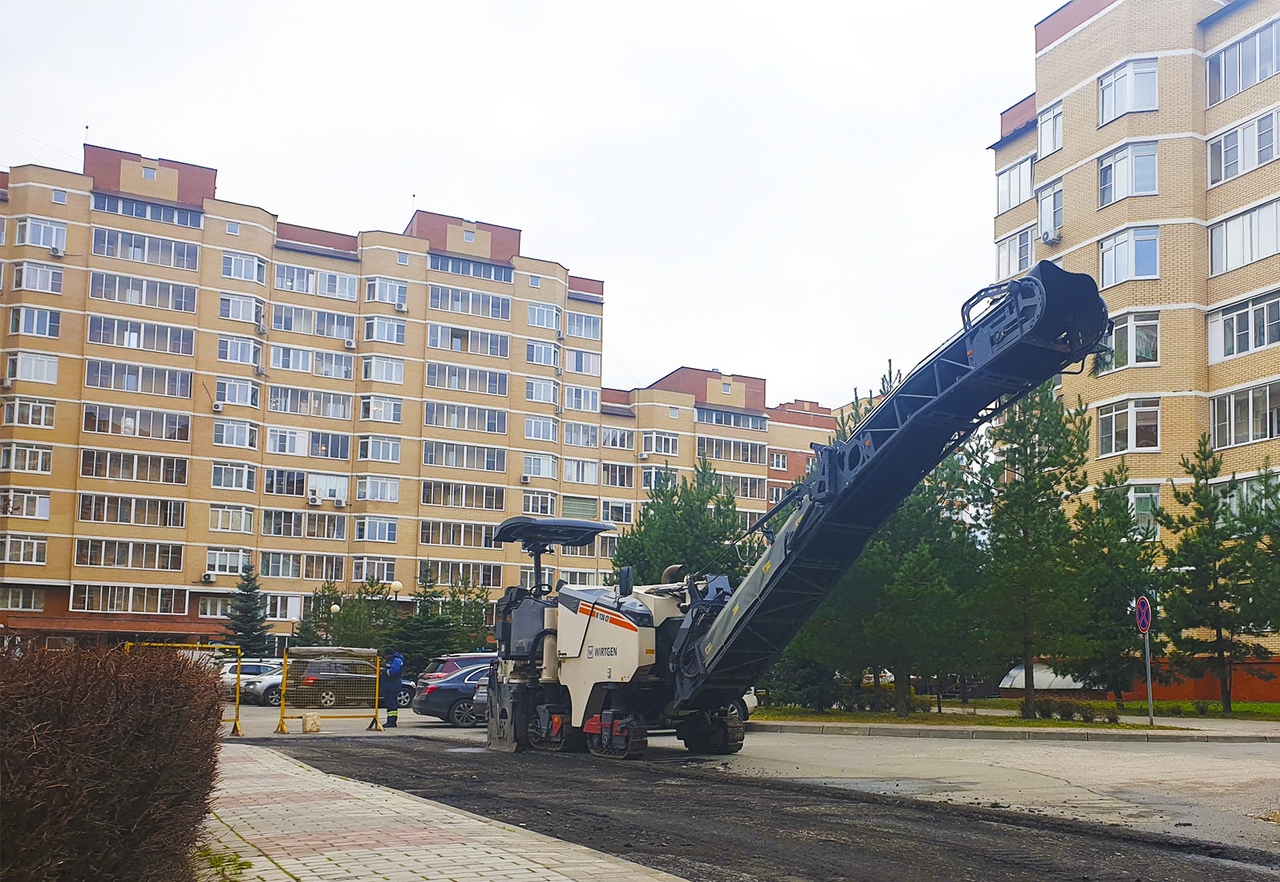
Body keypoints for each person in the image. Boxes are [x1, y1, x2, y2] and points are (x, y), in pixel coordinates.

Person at [380, 648, 404, 727]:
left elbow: (392, 672)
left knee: (392, 704)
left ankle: (392, 721)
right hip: (389, 685)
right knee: (390, 703)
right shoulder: (392, 660)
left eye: (386, 655)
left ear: (389, 654)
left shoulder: (397, 660)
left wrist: (383, 670)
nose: (385, 657)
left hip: (393, 685)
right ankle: (391, 720)